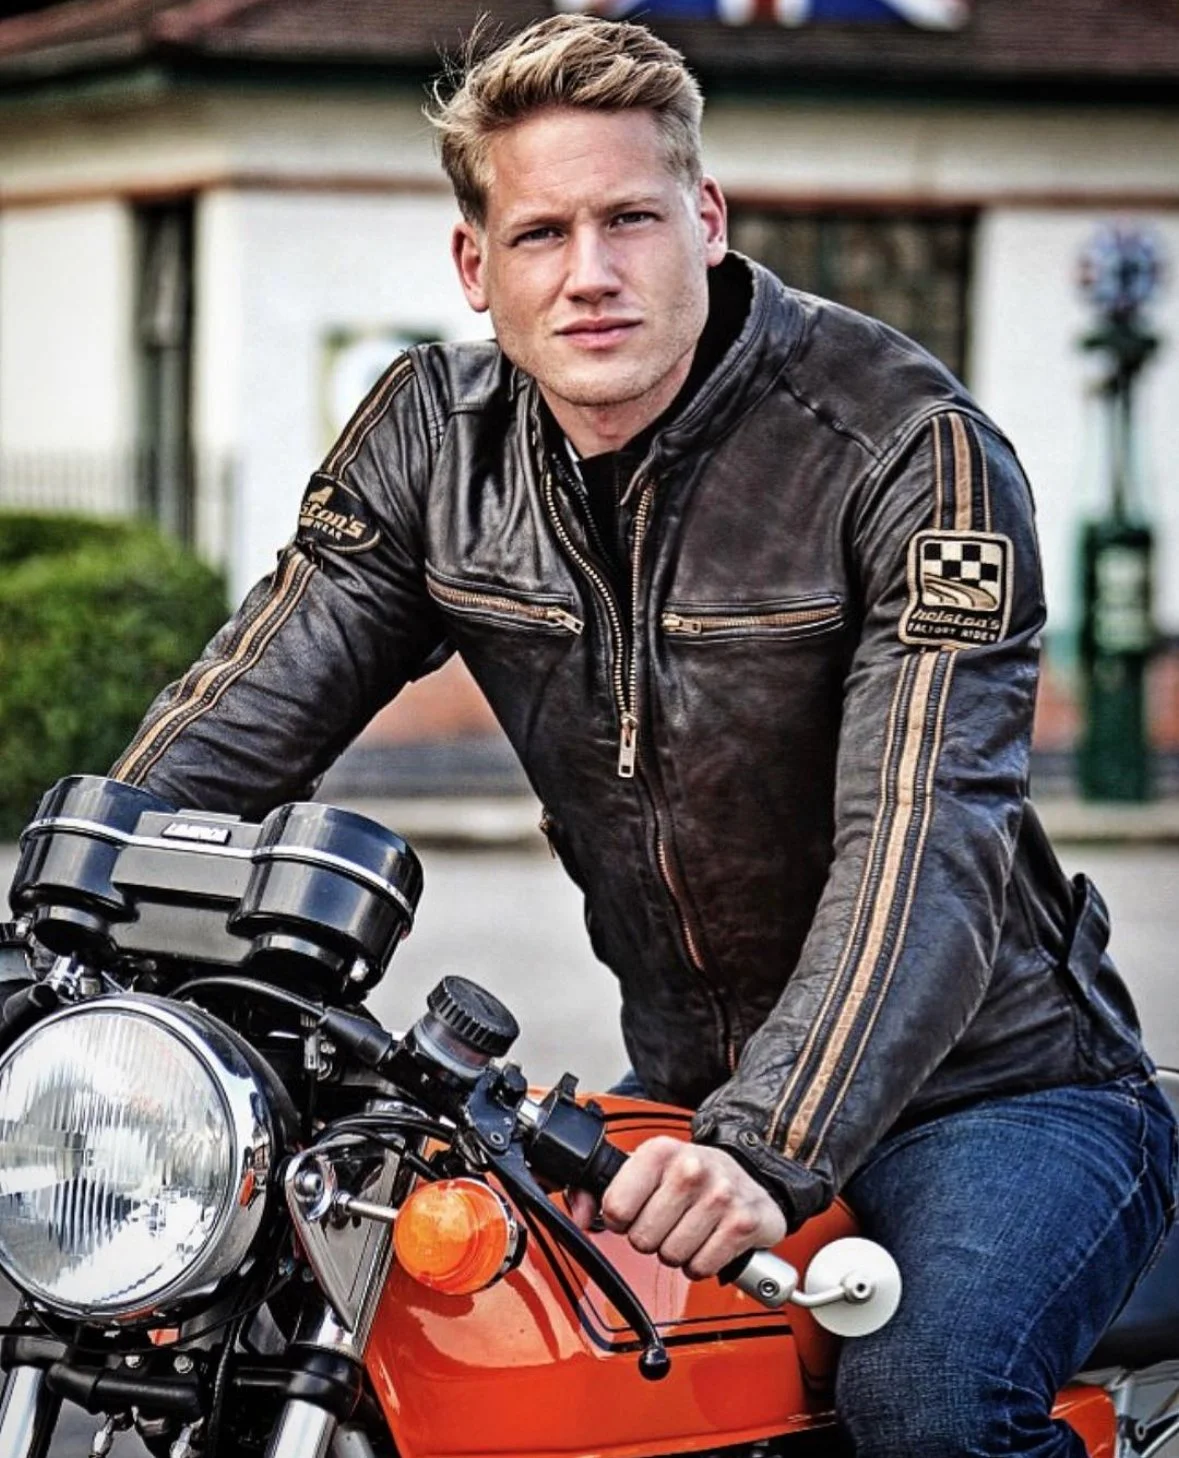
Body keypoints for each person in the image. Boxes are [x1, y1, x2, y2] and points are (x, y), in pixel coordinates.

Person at [109, 15, 1176, 1454]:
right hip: (679, 1094)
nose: (592, 272)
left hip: (998, 1093)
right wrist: (62, 925)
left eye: (629, 218)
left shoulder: (898, 444)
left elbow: (926, 845)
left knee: (923, 1399)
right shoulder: (437, 444)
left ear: (705, 220)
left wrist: (765, 1137)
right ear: (475, 269)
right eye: (541, 232)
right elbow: (228, 735)